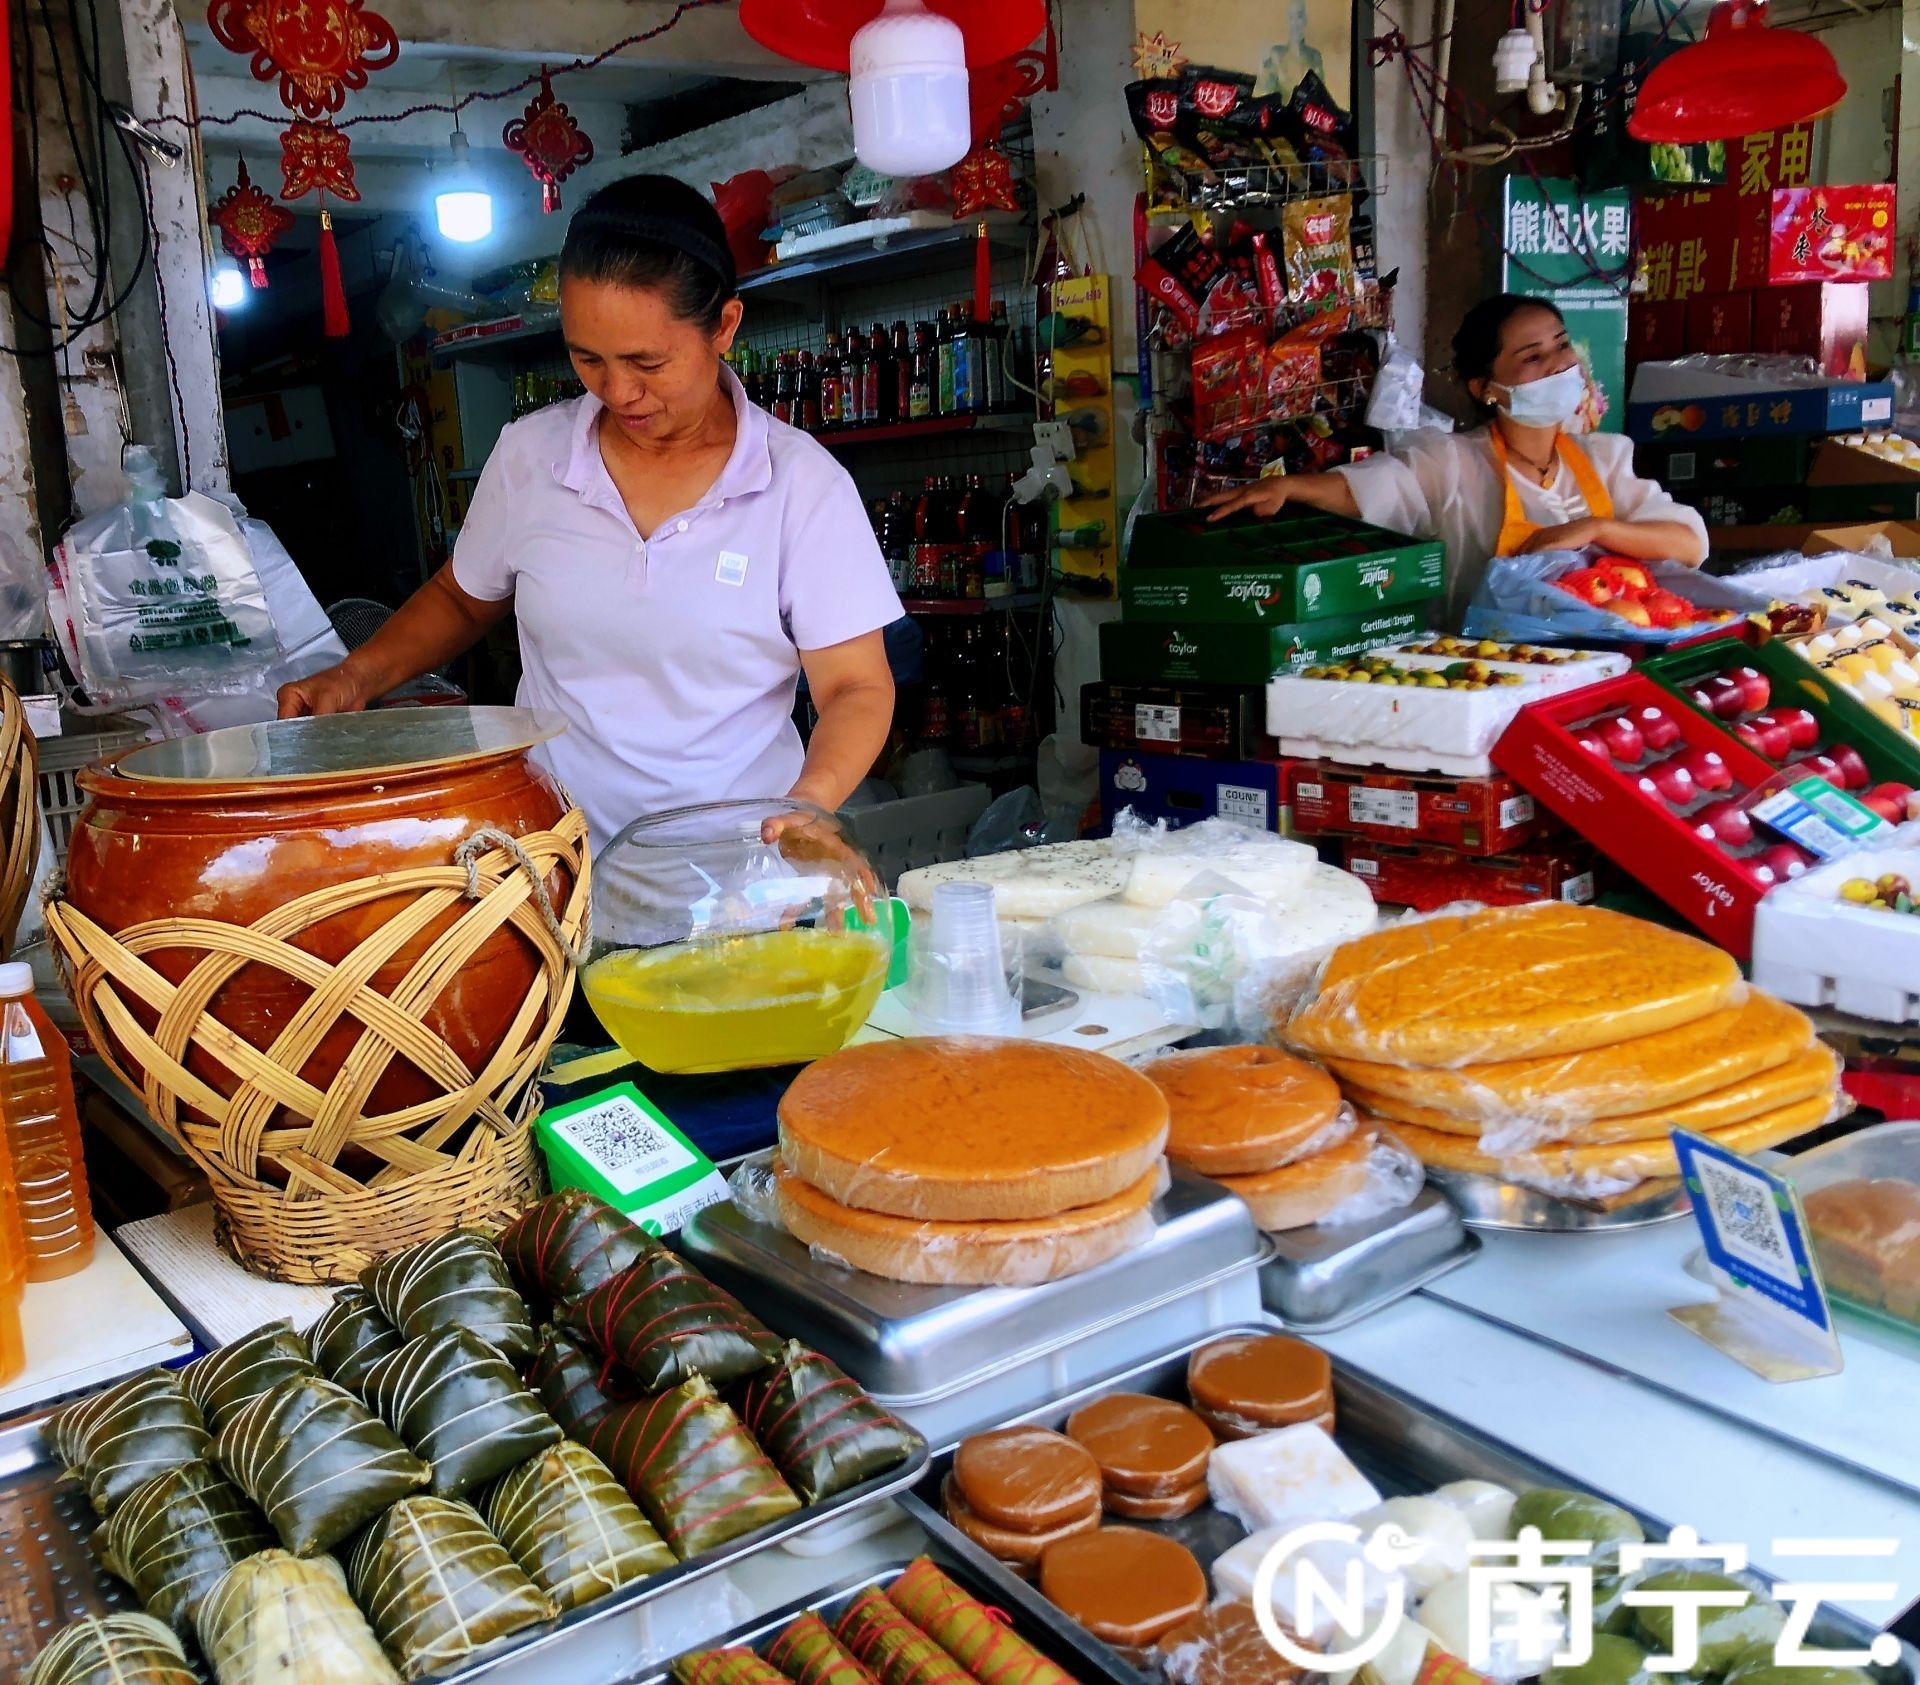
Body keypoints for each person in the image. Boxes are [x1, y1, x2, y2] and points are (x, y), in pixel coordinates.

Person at [278, 175, 903, 854]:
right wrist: (355, 676)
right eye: (587, 358)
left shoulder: (801, 486)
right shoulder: (531, 455)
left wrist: (810, 804)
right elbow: (462, 599)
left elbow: (856, 687)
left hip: (740, 878)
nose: (618, 391)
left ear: (724, 326)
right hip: (554, 867)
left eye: (647, 362)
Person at [1203, 295, 1708, 625]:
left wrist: (1594, 529)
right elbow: (1374, 488)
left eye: (1559, 346)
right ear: (1487, 389)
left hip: (1600, 677)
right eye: (1532, 357)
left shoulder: (1604, 461)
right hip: (1490, 678)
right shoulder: (1450, 464)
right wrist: (1288, 487)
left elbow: (1688, 543)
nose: (1559, 364)